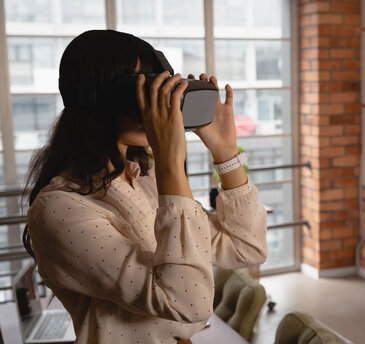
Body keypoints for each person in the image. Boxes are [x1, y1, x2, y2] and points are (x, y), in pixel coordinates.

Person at [22, 30, 268, 343]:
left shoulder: (145, 178)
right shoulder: (60, 208)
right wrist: (170, 163)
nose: (155, 99)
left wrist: (225, 153)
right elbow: (187, 302)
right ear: (95, 97)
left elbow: (246, 247)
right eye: (139, 85)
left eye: (156, 82)